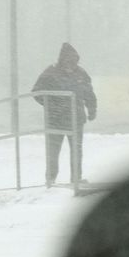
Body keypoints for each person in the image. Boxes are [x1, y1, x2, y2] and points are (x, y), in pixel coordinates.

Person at [32, 43, 97, 186]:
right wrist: (52, 104)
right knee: (54, 150)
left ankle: (76, 178)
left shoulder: (81, 73)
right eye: (68, 61)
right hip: (55, 118)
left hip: (76, 118)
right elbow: (36, 92)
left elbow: (89, 93)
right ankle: (51, 178)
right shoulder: (51, 72)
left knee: (76, 149)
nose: (71, 64)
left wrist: (92, 109)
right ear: (62, 60)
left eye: (74, 61)